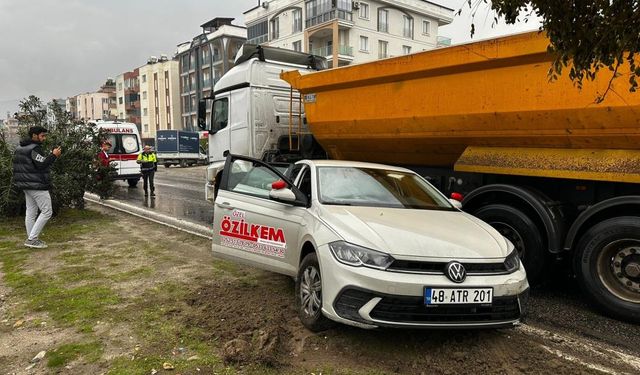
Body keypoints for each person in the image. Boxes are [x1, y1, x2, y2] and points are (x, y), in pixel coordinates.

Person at [12, 126, 62, 249]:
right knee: (47, 211)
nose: (44, 138)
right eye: (42, 136)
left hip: (25, 184)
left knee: (31, 212)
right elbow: (42, 164)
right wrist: (54, 155)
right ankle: (32, 239)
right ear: (34, 135)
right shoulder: (35, 149)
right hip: (37, 185)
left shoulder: (20, 147)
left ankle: (31, 238)